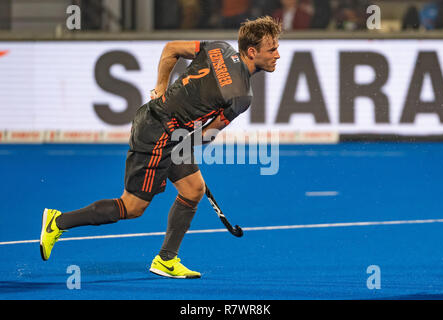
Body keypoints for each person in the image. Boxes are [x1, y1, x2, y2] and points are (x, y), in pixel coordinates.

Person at [40, 16, 282, 279]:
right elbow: (208, 134)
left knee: (193, 189)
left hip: (166, 128)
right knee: (132, 207)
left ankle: (166, 260)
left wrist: (161, 88)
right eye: (272, 49)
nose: (277, 55)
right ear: (251, 51)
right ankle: (58, 222)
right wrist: (187, 137)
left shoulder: (218, 48)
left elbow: (171, 49)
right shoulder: (241, 97)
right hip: (157, 133)